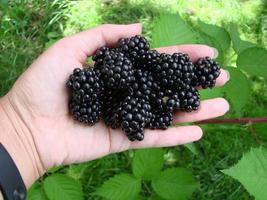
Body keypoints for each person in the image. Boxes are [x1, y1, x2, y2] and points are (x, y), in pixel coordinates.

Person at [0, 24, 229, 199]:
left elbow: (135, 94)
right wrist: (21, 127)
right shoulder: (114, 85)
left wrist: (22, 134)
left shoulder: (142, 87)